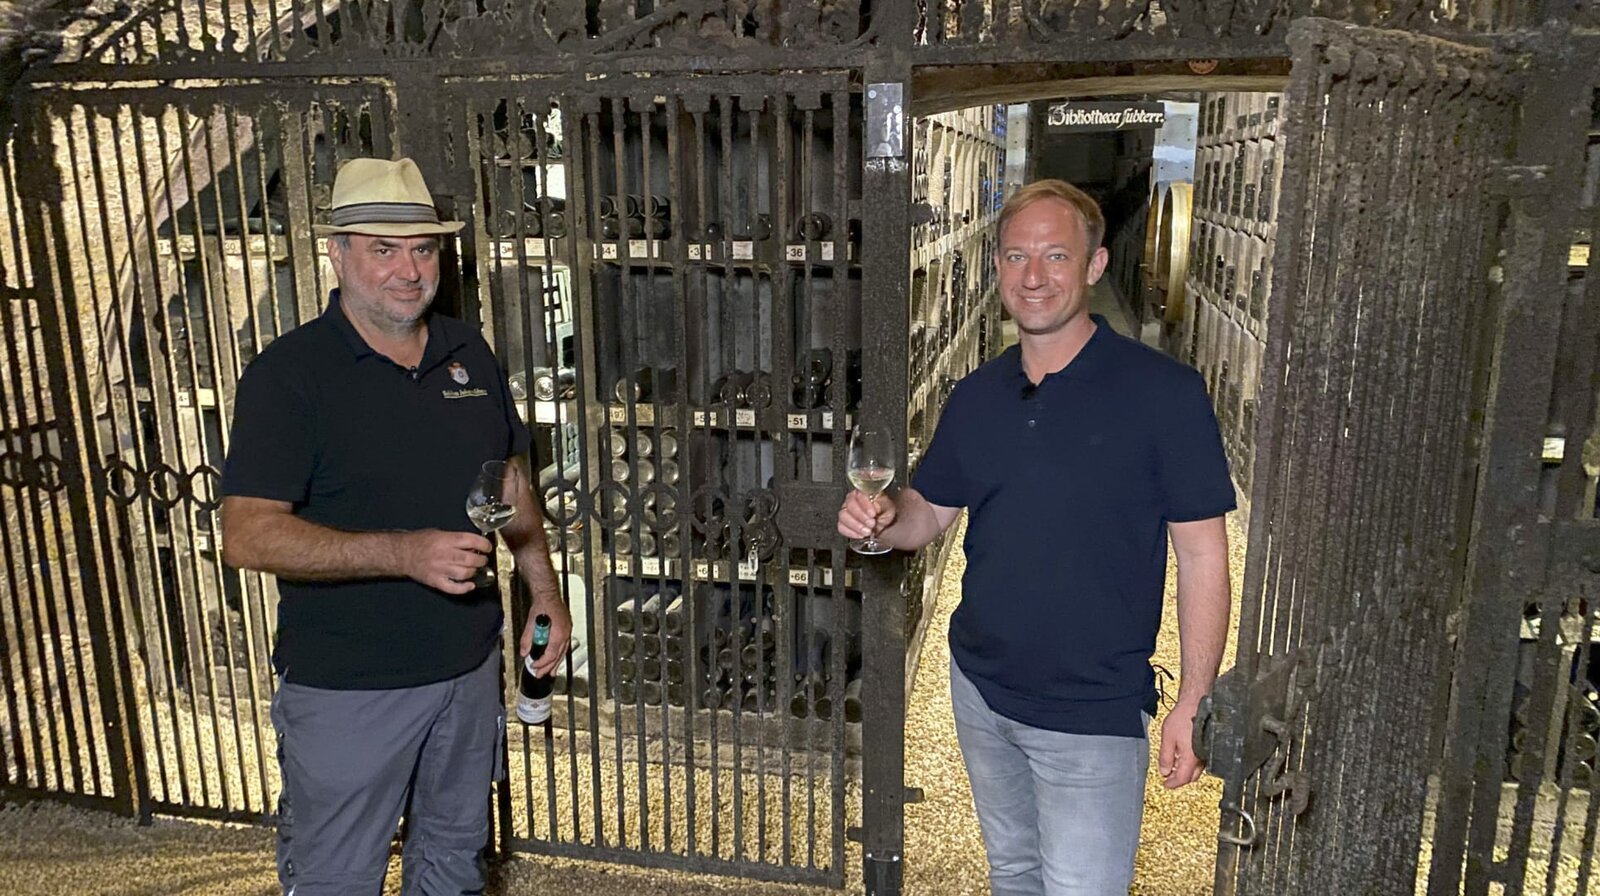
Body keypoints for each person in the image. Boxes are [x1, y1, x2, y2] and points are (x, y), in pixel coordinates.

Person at [838, 179, 1234, 895]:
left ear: (1095, 265)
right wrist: (885, 515)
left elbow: (1203, 554)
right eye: (1016, 256)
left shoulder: (1165, 395)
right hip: (980, 689)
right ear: (997, 267)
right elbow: (930, 513)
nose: (1033, 276)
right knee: (1014, 874)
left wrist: (1193, 700)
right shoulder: (977, 395)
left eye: (1056, 255)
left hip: (1091, 709)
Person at [220, 157, 571, 895]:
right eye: (384, 249)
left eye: (424, 250)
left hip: (466, 673)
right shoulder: (290, 375)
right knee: (337, 878)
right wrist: (404, 552)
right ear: (337, 252)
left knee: (451, 863)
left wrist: (545, 591)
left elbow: (509, 481)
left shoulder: (466, 352)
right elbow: (247, 533)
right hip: (351, 689)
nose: (409, 271)